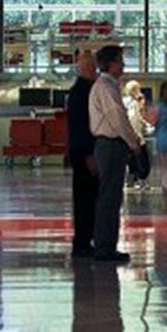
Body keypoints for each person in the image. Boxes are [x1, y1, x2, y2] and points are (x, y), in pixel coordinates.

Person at [89, 45, 142, 263]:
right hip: (110, 146)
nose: (123, 65)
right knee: (109, 198)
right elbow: (117, 118)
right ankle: (104, 247)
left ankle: (106, 244)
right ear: (110, 64)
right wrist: (134, 143)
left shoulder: (107, 85)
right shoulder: (106, 87)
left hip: (109, 145)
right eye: (120, 60)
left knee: (111, 197)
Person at [67, 51, 99, 258]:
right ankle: (83, 242)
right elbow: (82, 126)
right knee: (86, 197)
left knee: (85, 197)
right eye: (92, 66)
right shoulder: (83, 92)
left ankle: (84, 240)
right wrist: (89, 153)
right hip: (85, 152)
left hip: (80, 151)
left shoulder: (80, 91)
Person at [122, 80, 152, 191]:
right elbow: (133, 118)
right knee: (141, 159)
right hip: (134, 136)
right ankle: (139, 180)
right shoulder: (131, 103)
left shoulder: (130, 102)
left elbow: (139, 117)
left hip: (131, 135)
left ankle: (133, 179)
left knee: (133, 159)